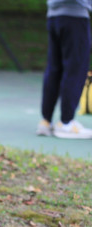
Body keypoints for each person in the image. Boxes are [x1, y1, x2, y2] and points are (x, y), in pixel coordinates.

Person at [37, 0, 92, 139]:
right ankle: (66, 123)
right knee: (75, 69)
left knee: (54, 69)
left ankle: (46, 121)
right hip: (75, 17)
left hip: (53, 16)